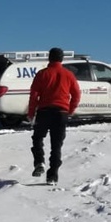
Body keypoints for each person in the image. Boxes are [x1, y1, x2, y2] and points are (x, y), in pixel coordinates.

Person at [27, 47, 81, 184]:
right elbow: (76, 94)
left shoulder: (42, 74)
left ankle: (39, 162)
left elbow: (34, 95)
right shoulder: (68, 75)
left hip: (44, 112)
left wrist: (31, 113)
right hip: (61, 113)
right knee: (56, 146)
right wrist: (71, 109)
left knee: (37, 138)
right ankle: (52, 175)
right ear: (62, 59)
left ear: (49, 58)